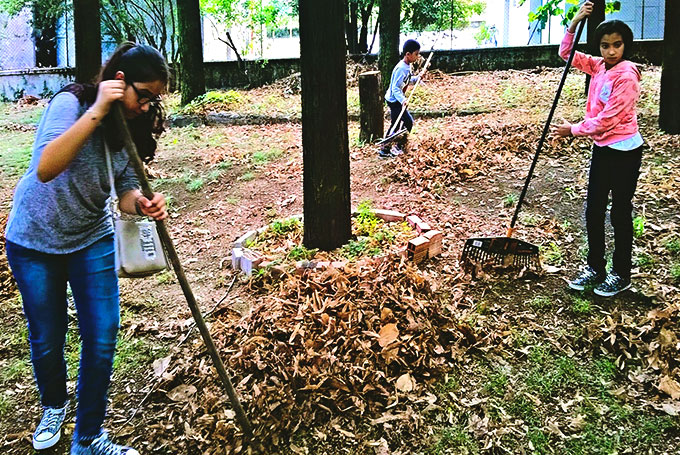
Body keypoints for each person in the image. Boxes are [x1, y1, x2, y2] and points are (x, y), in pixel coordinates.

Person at [4, 42, 169, 454]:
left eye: (155, 99)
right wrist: (97, 111)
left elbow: (126, 188)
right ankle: (54, 406)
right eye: (143, 95)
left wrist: (143, 204)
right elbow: (45, 168)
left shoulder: (133, 126)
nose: (147, 106)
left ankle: (90, 436)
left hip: (91, 237)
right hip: (34, 240)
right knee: (47, 336)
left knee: (102, 333)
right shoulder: (71, 103)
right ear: (119, 82)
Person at [551, 2, 643, 297]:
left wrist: (573, 130)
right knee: (593, 210)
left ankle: (621, 274)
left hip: (624, 151)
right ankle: (595, 267)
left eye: (616, 45)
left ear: (625, 45)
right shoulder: (600, 66)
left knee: (619, 213)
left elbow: (608, 120)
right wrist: (575, 21)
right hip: (604, 149)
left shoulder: (627, 76)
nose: (611, 51)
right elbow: (566, 55)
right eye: (605, 45)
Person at [379, 39, 422, 159]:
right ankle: (388, 148)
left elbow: (407, 80)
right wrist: (402, 100)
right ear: (408, 54)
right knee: (403, 123)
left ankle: (393, 147)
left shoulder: (407, 66)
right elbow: (395, 88)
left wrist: (417, 78)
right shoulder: (401, 68)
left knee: (398, 123)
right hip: (394, 100)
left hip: (397, 100)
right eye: (416, 54)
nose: (417, 56)